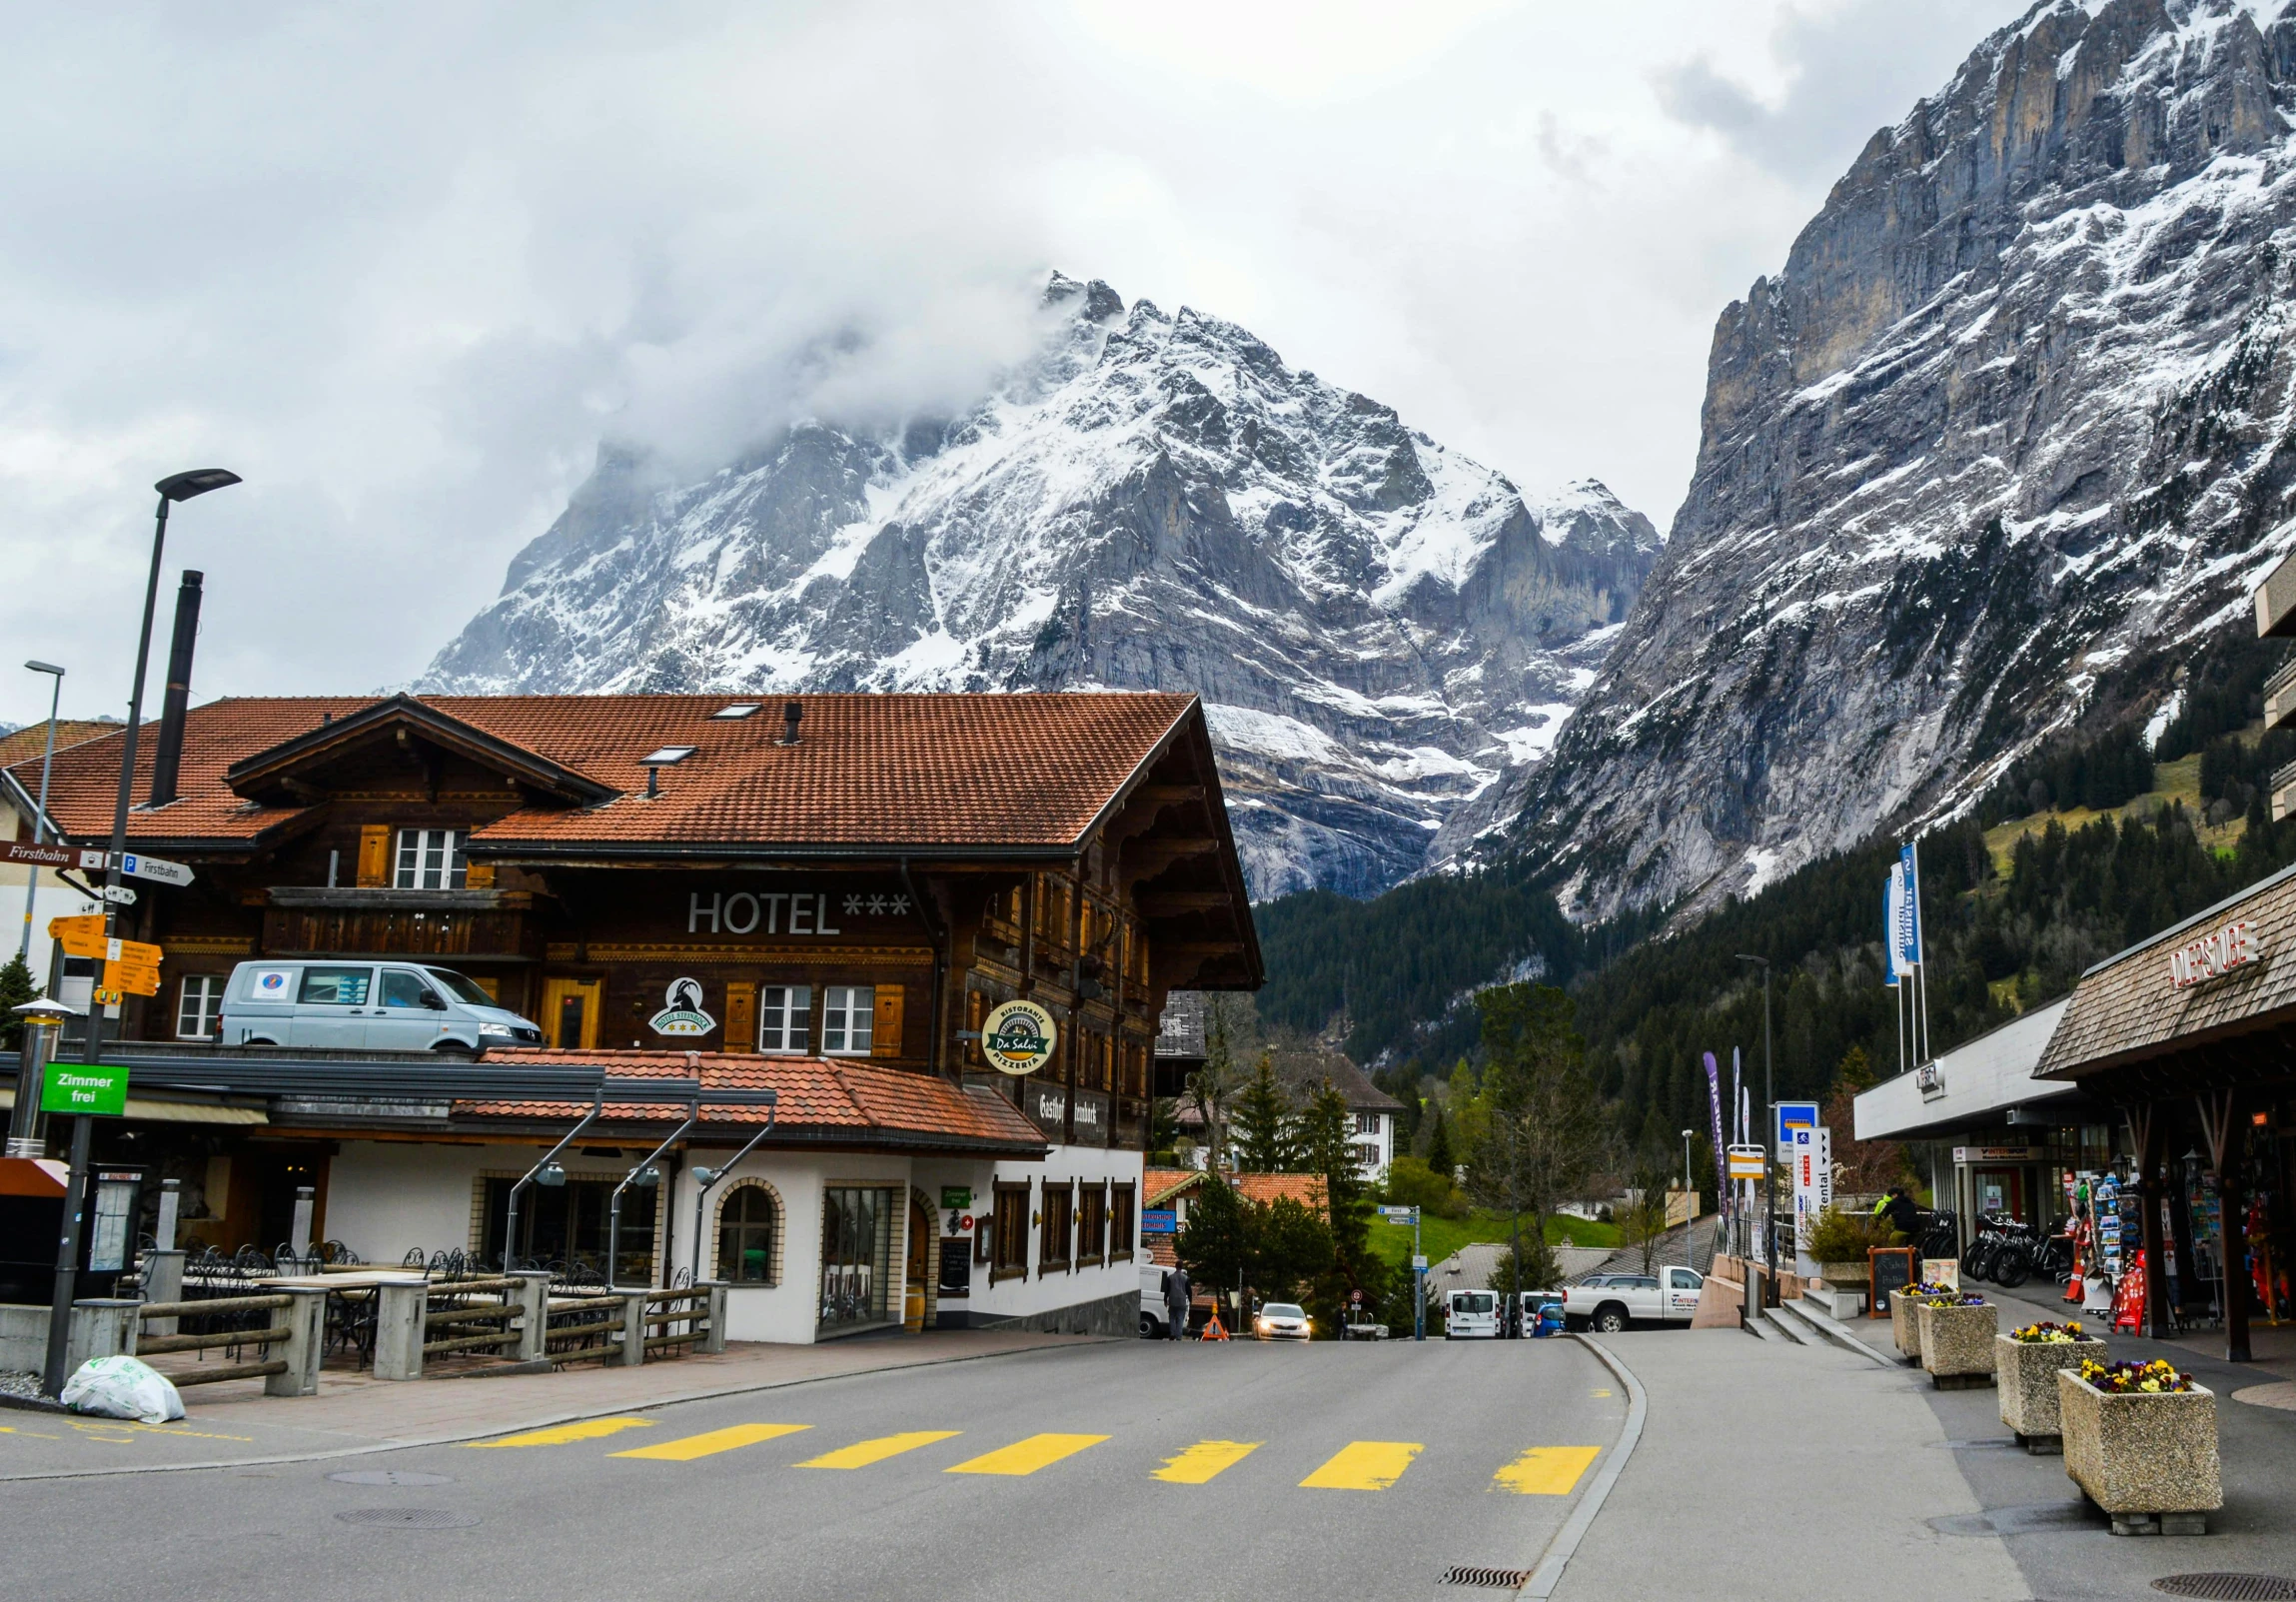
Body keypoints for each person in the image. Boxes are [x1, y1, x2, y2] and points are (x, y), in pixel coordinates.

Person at [1164, 1265, 1191, 1340]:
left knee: (1172, 1318)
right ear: (1182, 1267)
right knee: (1180, 1319)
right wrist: (1190, 1299)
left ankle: (1172, 1334)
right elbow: (1189, 1291)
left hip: (1172, 1301)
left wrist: (1165, 1300)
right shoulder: (1185, 1278)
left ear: (1176, 1267)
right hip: (1182, 1301)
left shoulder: (1170, 1277)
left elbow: (1167, 1290)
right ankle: (1179, 1336)